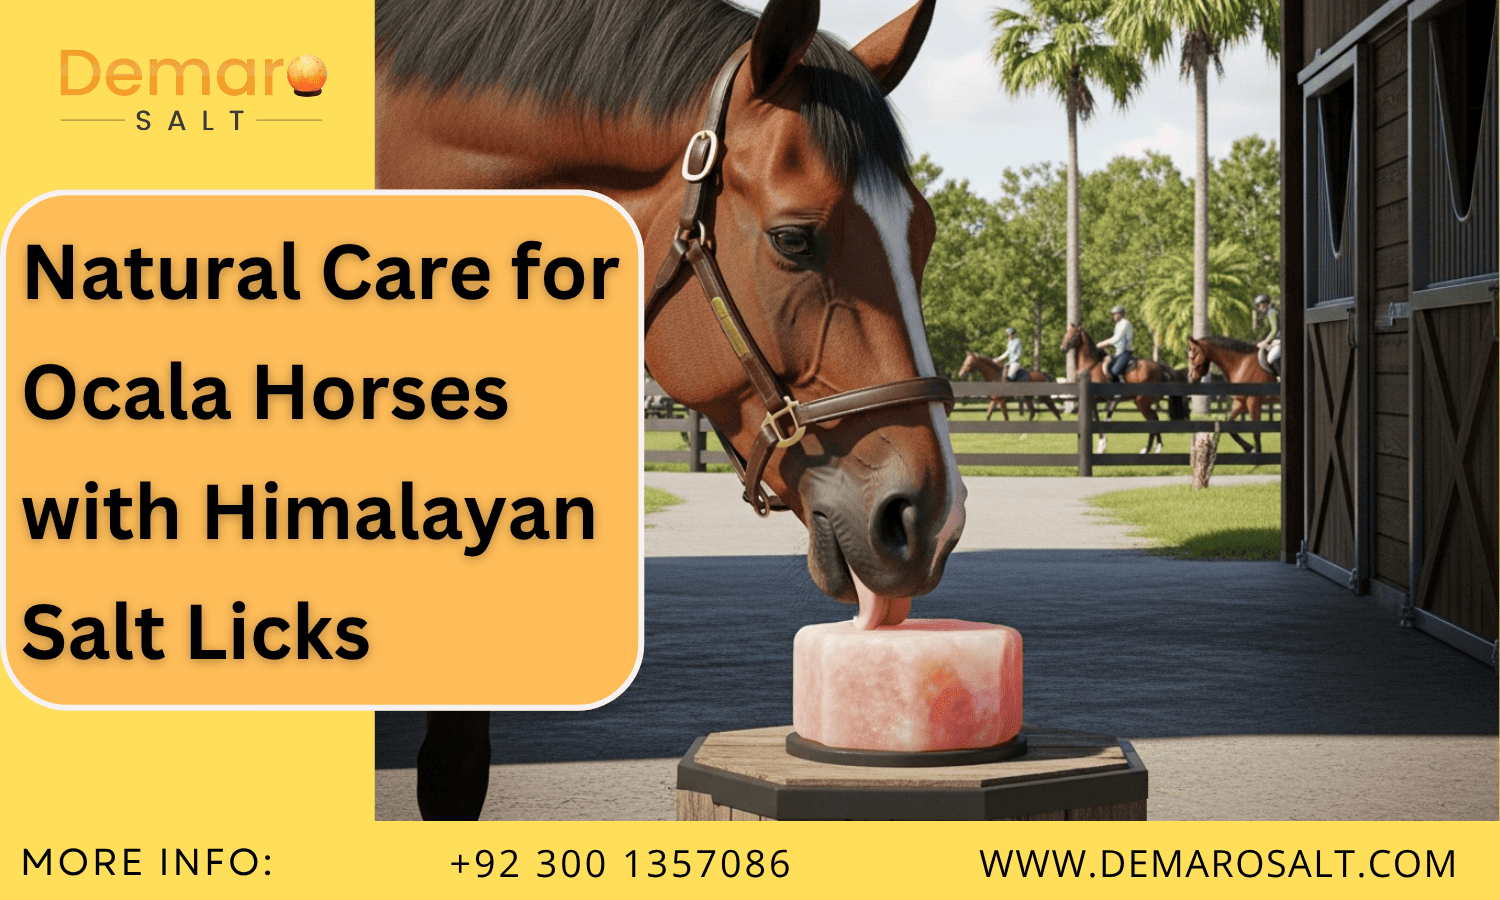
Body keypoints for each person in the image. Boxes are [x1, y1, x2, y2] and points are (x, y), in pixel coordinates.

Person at [1095, 305, 1134, 382]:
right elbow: (1114, 338)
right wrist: (1103, 344)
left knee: (1114, 371)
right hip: (1118, 353)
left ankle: (1121, 388)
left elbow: (1116, 339)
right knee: (1108, 368)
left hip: (1125, 352)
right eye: (1114, 314)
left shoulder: (1124, 323)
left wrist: (1100, 345)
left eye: (1117, 314)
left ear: (1122, 314)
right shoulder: (1118, 325)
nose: (1115, 316)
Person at [1254, 294, 1281, 377]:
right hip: (1277, 340)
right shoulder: (1271, 312)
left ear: (1263, 304)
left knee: (1271, 358)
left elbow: (1274, 331)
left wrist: (1264, 342)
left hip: (1280, 340)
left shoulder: (1271, 312)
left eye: (1259, 305)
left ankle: (1281, 378)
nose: (1259, 308)